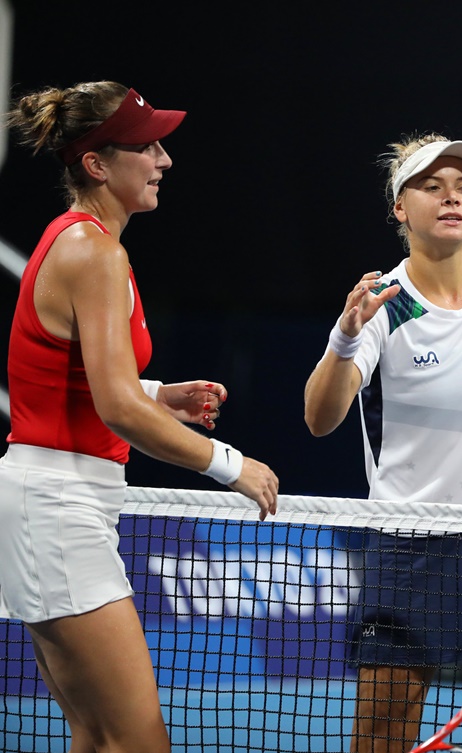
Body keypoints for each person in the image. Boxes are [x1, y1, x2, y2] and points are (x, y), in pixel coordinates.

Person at [0, 81, 279, 753]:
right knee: (138, 740)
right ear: (98, 163)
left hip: (54, 504)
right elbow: (113, 406)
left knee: (98, 737)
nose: (165, 159)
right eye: (148, 146)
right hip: (57, 508)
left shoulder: (78, 241)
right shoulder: (94, 252)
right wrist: (231, 465)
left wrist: (160, 392)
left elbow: (81, 379)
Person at [303, 133, 462, 753]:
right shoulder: (381, 305)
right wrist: (344, 337)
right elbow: (320, 418)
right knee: (381, 740)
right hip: (407, 548)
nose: (452, 198)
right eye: (431, 186)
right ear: (400, 208)